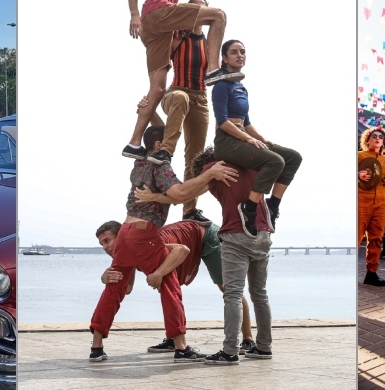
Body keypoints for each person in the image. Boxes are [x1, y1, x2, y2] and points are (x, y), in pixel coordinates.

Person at [88, 125, 238, 363]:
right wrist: (209, 175)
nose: (174, 147)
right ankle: (180, 347)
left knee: (114, 287)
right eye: (171, 142)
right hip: (143, 230)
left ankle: (96, 347)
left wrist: (208, 182)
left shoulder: (139, 162)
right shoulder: (161, 165)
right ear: (159, 145)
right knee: (169, 282)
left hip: (125, 229)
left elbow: (162, 131)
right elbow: (179, 194)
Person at [122, 0, 238, 162]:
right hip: (156, 12)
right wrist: (135, 15)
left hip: (160, 32)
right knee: (219, 15)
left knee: (157, 89)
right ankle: (214, 70)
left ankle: (133, 143)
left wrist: (178, 32)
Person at [96, 220, 257, 355]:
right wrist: (105, 278)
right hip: (185, 241)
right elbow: (128, 288)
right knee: (167, 285)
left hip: (205, 236)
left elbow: (181, 250)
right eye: (102, 243)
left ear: (123, 236)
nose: (104, 247)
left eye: (107, 240)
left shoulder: (143, 242)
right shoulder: (124, 252)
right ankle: (174, 338)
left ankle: (248, 340)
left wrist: (158, 273)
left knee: (228, 289)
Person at [177, 147, 275, 365]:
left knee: (232, 294)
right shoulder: (250, 166)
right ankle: (264, 347)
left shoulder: (213, 168)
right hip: (263, 234)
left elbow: (185, 193)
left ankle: (229, 351)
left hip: (236, 235)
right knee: (260, 293)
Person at [139, 0, 218, 226]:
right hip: (175, 93)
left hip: (201, 99)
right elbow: (153, 49)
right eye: (194, 9)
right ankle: (166, 151)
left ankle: (189, 211)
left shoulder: (209, 43)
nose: (199, 13)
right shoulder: (175, 37)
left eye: (203, 10)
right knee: (181, 97)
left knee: (195, 157)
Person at [211, 40, 303, 236]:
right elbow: (223, 122)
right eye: (234, 52)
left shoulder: (242, 87)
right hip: (226, 140)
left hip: (242, 134)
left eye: (243, 52)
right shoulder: (221, 86)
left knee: (293, 157)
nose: (240, 55)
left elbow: (247, 123)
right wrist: (248, 140)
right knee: (275, 161)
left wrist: (263, 139)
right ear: (225, 58)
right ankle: (249, 209)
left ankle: (272, 206)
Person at [359, 127, 385, 286]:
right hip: (361, 199)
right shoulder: (358, 155)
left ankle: (371, 273)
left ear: (384, 142)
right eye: (373, 136)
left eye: (380, 137)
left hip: (381, 201)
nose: (377, 138)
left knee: (376, 238)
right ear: (367, 140)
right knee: (356, 236)